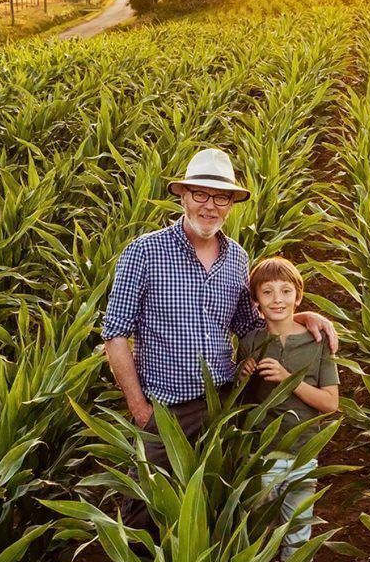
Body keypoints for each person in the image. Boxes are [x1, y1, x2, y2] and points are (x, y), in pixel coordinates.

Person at [99, 147, 337, 466]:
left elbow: (250, 324)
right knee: (147, 512)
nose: (210, 206)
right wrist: (140, 409)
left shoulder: (236, 258)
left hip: (223, 403)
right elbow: (115, 334)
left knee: (213, 504)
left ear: (230, 206)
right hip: (165, 412)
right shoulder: (144, 252)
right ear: (182, 196)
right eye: (200, 194)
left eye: (221, 197)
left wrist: (301, 315)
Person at [239, 255, 339, 562]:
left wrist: (289, 378)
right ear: (256, 302)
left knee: (296, 547)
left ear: (298, 297)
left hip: (299, 458)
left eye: (285, 292)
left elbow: (331, 403)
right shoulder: (251, 342)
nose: (277, 299)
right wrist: (243, 375)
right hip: (261, 459)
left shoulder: (316, 342)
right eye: (267, 293)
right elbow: (241, 405)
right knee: (263, 548)